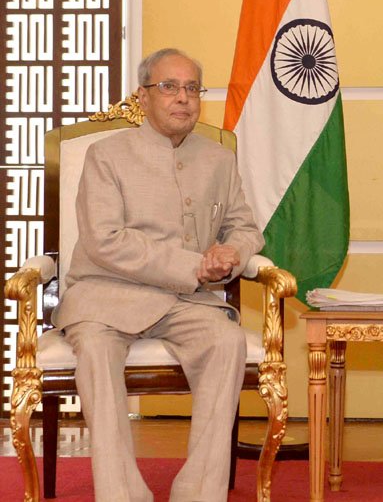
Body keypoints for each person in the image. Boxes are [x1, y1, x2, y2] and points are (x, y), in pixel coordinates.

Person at [52, 48, 265, 502]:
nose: (183, 98)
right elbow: (105, 240)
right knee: (93, 350)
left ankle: (199, 493)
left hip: (187, 301)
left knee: (226, 342)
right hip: (107, 296)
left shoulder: (218, 158)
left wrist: (233, 250)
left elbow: (245, 227)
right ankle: (122, 495)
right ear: (143, 96)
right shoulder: (105, 155)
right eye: (169, 87)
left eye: (192, 88)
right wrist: (194, 265)